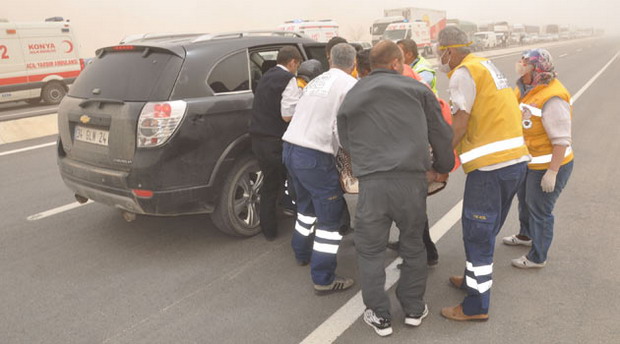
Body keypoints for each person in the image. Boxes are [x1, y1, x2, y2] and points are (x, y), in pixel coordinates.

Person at [337, 40, 454, 337]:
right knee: (413, 244)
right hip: (411, 181)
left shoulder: (354, 93)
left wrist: (365, 162)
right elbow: (439, 131)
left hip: (373, 184)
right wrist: (443, 164)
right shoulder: (417, 90)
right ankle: (413, 309)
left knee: (370, 250)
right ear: (395, 63)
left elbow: (344, 137)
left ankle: (379, 315)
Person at [436, 26, 530, 322]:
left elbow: (460, 122)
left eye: (440, 53)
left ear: (449, 51)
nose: (440, 59)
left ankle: (476, 306)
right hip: (514, 163)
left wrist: (440, 162)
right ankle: (469, 279)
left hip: (491, 168)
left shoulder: (464, 72)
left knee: (477, 234)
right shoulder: (485, 65)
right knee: (486, 229)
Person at [282, 43, 358, 295]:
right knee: (330, 217)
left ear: (330, 60)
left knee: (305, 208)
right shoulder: (349, 86)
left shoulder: (316, 81)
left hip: (291, 148)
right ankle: (323, 278)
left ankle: (301, 252)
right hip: (314, 155)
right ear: (354, 64)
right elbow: (343, 130)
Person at [502, 49, 574, 268]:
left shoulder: (552, 97)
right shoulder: (524, 89)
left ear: (537, 68)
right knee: (524, 201)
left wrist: (552, 172)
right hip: (529, 161)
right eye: (521, 61)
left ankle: (537, 257)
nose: (520, 65)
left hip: (548, 165)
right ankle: (526, 235)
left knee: (540, 210)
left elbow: (561, 140)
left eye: (525, 63)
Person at [249, 46, 302, 241]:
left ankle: (268, 229)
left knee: (270, 184)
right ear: (293, 62)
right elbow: (287, 115)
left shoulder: (266, 76)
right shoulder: (289, 80)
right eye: (297, 65)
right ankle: (296, 223)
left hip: (258, 140)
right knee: (293, 181)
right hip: (275, 142)